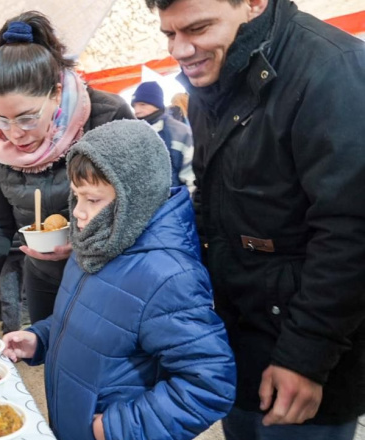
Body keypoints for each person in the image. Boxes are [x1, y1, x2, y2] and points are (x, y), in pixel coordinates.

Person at [146, 0, 365, 437]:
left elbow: (351, 231)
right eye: (170, 34)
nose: (180, 50)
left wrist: (306, 355)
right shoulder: (213, 78)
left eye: (199, 28)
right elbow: (209, 200)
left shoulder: (332, 68)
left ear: (253, 4)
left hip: (305, 351)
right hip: (237, 338)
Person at [2, 120, 236, 440]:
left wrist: (115, 428)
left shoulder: (168, 277)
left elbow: (209, 384)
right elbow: (89, 317)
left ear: (134, 198)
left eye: (93, 199)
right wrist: (40, 339)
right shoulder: (96, 243)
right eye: (77, 197)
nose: (79, 213)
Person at [0, 11, 133, 323]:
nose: (13, 133)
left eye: (27, 117)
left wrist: (79, 246)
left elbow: (139, 208)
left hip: (107, 275)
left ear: (57, 92)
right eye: (1, 118)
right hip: (42, 277)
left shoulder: (107, 117)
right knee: (51, 357)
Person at [131, 81, 195, 193]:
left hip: (173, 202)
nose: (137, 111)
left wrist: (187, 205)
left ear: (157, 104)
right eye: (134, 106)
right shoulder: (130, 132)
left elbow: (191, 177)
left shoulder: (180, 132)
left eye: (142, 105)